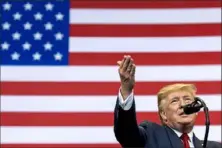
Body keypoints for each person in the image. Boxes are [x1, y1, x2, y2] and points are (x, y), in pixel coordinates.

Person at [113, 55, 221, 148]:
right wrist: (126, 89)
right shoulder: (150, 134)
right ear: (164, 114)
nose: (183, 105)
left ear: (196, 110)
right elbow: (127, 134)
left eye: (187, 99)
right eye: (174, 101)